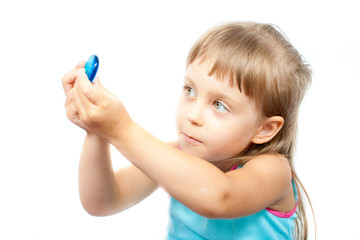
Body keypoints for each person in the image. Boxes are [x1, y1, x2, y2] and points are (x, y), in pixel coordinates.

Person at [62, 22, 313, 239]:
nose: (193, 115)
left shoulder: (273, 170)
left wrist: (121, 129)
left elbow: (219, 196)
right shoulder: (178, 155)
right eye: (190, 91)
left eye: (219, 105)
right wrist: (97, 131)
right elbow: (103, 201)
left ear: (265, 129)